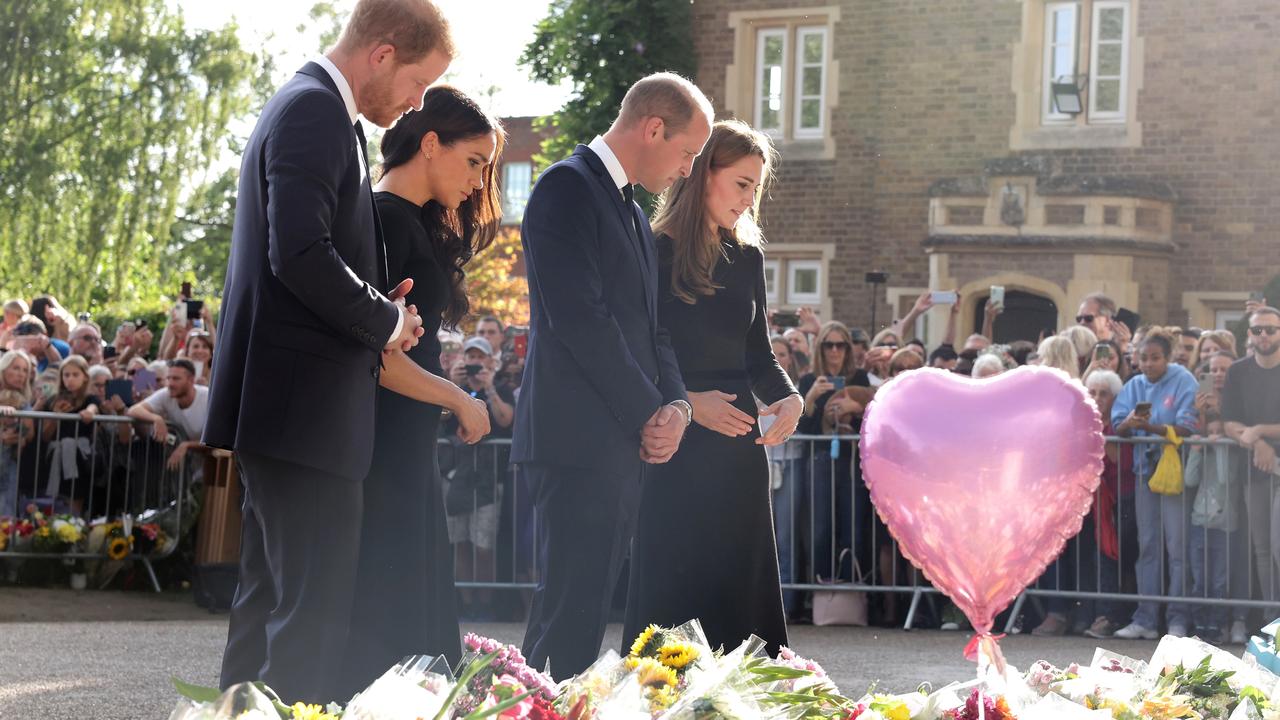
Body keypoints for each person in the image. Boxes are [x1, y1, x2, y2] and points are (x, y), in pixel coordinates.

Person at [204, 0, 456, 703]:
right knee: (308, 617)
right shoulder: (315, 110)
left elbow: (309, 253)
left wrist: (383, 305)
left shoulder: (312, 108)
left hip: (291, 408)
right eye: (417, 83)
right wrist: (382, 319)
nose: (415, 104)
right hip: (303, 413)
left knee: (269, 606)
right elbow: (301, 252)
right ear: (381, 54)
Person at [513, 72, 712, 678]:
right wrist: (647, 409)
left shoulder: (629, 209)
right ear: (653, 128)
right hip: (575, 441)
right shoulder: (565, 188)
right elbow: (581, 320)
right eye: (687, 154)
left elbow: (653, 330)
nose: (685, 171)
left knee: (586, 612)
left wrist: (676, 405)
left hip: (618, 442)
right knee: (565, 614)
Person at [337, 87, 496, 699]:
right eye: (474, 160)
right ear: (431, 144)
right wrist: (459, 399)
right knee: (392, 600)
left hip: (406, 440)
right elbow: (383, 360)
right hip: (383, 439)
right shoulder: (381, 218)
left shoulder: (406, 220)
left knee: (413, 596)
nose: (480, 180)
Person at [623, 120, 801, 656]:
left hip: (739, 452)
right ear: (703, 175)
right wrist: (687, 403)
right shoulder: (653, 250)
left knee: (740, 583)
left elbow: (757, 355)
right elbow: (641, 347)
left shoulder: (748, 258)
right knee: (673, 584)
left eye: (756, 188)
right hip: (677, 441)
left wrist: (789, 396)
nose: (750, 199)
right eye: (741, 183)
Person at [1111, 329, 1199, 639]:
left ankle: (1178, 618)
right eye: (1143, 358)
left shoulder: (1184, 380)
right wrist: (1129, 425)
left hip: (1174, 474)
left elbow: (1187, 426)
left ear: (1169, 357)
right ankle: (1145, 619)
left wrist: (1147, 426)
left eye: (1155, 358)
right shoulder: (1133, 384)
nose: (1148, 364)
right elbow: (1118, 426)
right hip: (1143, 473)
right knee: (1147, 546)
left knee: (1177, 549)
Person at [1222, 307, 1280, 610]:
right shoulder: (1238, 370)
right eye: (1258, 330)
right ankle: (1274, 625)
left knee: (1278, 547)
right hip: (1253, 470)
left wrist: (1258, 431)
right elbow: (1229, 423)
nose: (1264, 335)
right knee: (1261, 549)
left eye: (1271, 329)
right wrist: (1258, 442)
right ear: (1250, 334)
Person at [127, 359, 209, 472]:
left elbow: (219, 439)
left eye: (176, 379)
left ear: (191, 380)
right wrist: (156, 418)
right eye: (168, 378)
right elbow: (133, 410)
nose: (170, 383)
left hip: (214, 467)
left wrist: (187, 445)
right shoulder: (166, 394)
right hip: (190, 467)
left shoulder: (208, 397)